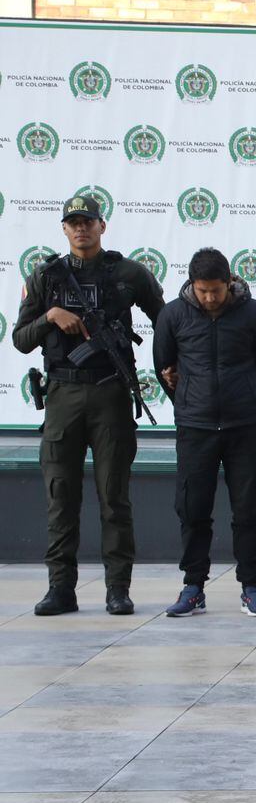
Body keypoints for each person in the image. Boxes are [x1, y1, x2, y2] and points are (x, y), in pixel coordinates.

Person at [12, 195, 164, 616]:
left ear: (102, 226)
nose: (81, 228)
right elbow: (21, 340)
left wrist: (173, 371)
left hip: (111, 394)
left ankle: (118, 588)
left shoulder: (129, 273)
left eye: (89, 221)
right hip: (62, 395)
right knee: (61, 496)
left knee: (114, 496)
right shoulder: (45, 277)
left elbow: (168, 323)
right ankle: (61, 588)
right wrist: (50, 318)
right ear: (64, 229)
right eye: (73, 222)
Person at [152, 248, 256, 618]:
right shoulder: (173, 314)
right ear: (192, 285)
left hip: (245, 425)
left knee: (249, 507)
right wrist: (191, 399)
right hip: (195, 427)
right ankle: (193, 587)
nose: (209, 298)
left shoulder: (253, 313)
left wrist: (245, 392)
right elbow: (165, 367)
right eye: (203, 290)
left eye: (216, 291)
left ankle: (251, 586)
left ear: (230, 282)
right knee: (192, 507)